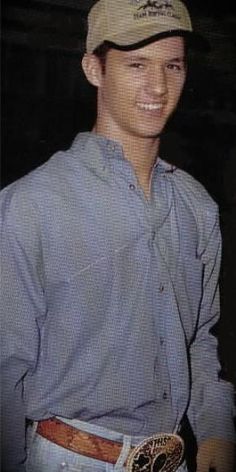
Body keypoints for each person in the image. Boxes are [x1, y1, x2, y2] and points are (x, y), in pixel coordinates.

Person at [1, 1, 235, 471]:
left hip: (173, 459)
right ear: (94, 69)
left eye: (173, 65)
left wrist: (215, 430)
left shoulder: (196, 207)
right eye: (136, 64)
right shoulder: (31, 205)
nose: (158, 87)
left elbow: (197, 340)